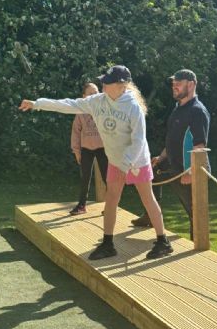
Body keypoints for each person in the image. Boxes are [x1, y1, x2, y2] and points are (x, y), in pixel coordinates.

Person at [19, 65, 173, 261]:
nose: (103, 85)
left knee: (147, 199)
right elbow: (70, 104)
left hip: (137, 162)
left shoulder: (133, 107)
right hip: (116, 161)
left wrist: (126, 164)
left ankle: (163, 242)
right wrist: (37, 104)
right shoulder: (97, 101)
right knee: (111, 200)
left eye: (107, 82)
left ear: (122, 85)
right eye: (103, 82)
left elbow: (139, 141)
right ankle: (108, 244)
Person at [132, 69, 210, 241]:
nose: (174, 86)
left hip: (189, 170)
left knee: (195, 213)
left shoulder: (197, 111)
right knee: (151, 173)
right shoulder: (178, 109)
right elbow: (173, 139)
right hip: (173, 166)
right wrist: (161, 158)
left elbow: (200, 145)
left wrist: (191, 171)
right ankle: (149, 216)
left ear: (191, 84)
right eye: (173, 83)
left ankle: (198, 248)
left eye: (178, 83)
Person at [69, 82, 108, 215]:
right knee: (85, 178)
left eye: (96, 93)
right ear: (84, 96)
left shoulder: (105, 109)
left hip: (103, 149)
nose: (94, 95)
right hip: (86, 149)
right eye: (90, 93)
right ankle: (81, 206)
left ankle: (111, 206)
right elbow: (75, 132)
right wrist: (76, 151)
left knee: (107, 178)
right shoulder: (80, 112)